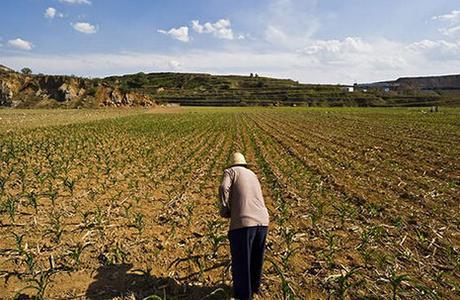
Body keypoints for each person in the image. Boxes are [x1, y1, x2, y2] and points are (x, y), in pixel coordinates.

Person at [219, 152, 270, 300]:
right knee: (256, 259)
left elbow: (223, 187)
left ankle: (243, 296)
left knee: (241, 261)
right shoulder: (252, 174)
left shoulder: (230, 171)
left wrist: (225, 208)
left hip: (244, 223)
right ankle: (254, 292)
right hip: (263, 221)